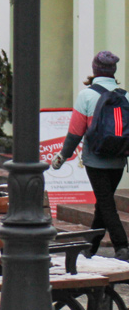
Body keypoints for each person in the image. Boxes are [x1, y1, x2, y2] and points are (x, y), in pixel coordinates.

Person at [53, 51, 129, 260]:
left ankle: (122, 246)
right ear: (113, 71)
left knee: (105, 203)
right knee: (102, 203)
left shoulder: (86, 95)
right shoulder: (125, 96)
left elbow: (75, 132)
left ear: (95, 69)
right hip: (118, 159)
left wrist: (62, 157)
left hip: (95, 160)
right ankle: (90, 249)